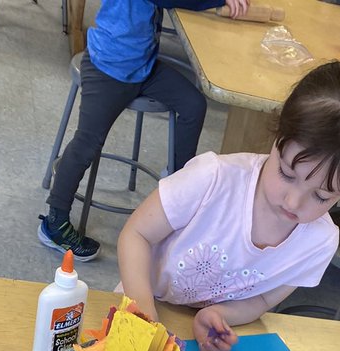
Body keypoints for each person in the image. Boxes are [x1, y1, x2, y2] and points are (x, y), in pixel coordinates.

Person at [117, 61, 340, 351]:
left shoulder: (319, 243)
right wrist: (144, 317)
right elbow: (136, 235)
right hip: (140, 300)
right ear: (277, 139)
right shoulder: (212, 178)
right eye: (287, 174)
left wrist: (221, 316)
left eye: (322, 196)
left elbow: (260, 302)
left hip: (192, 337)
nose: (293, 202)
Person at [38, 0, 249, 262]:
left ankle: (179, 190)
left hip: (143, 67)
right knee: (86, 145)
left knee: (193, 105)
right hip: (108, 68)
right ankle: (54, 223)